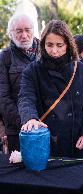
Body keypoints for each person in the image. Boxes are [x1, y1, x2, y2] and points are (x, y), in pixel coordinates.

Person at [18, 20, 83, 159]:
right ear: (43, 45)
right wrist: (30, 118)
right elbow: (25, 98)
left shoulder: (82, 71)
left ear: (68, 45)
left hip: (78, 145)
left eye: (59, 45)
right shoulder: (32, 71)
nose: (54, 51)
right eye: (49, 45)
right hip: (46, 145)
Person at [0, 14, 40, 153]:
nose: (24, 35)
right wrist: (26, 122)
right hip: (18, 129)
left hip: (46, 125)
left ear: (33, 31)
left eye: (27, 30)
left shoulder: (46, 52)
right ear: (11, 34)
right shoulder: (4, 57)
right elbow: (3, 97)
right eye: (19, 31)